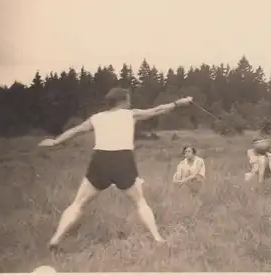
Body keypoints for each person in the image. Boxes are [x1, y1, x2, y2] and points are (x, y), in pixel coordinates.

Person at [38, 87, 193, 249]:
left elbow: (76, 130)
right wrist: (179, 103)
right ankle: (158, 238)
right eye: (128, 98)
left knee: (78, 204)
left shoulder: (96, 118)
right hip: (123, 160)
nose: (130, 101)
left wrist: (56, 141)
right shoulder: (130, 114)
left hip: (100, 160)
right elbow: (158, 110)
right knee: (140, 202)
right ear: (122, 101)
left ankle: (55, 239)